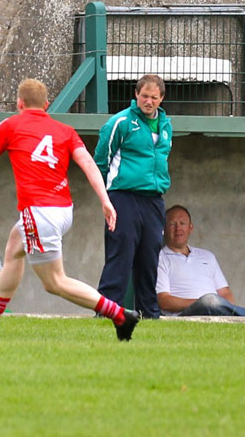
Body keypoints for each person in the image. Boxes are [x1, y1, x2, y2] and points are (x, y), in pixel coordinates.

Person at [0, 78, 140, 342]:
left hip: (39, 212)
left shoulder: (10, 125)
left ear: (18, 103)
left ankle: (120, 315)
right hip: (63, 210)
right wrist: (105, 200)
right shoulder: (65, 130)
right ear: (47, 105)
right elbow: (89, 165)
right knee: (14, 249)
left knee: (54, 282)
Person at [94, 74, 172, 319]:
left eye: (154, 97)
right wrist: (106, 199)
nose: (148, 101)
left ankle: (150, 314)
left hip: (153, 199)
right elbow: (101, 161)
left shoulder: (166, 125)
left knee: (150, 257)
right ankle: (107, 312)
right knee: (121, 255)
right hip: (123, 196)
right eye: (144, 96)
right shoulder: (121, 122)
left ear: (161, 99)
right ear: (136, 95)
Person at [156, 205, 245, 317]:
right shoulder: (160, 258)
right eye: (172, 224)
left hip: (215, 308)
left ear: (190, 228)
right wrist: (202, 303)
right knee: (209, 300)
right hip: (186, 313)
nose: (178, 228)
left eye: (182, 223)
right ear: (164, 228)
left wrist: (219, 306)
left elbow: (225, 293)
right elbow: (163, 300)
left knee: (212, 301)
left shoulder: (207, 256)